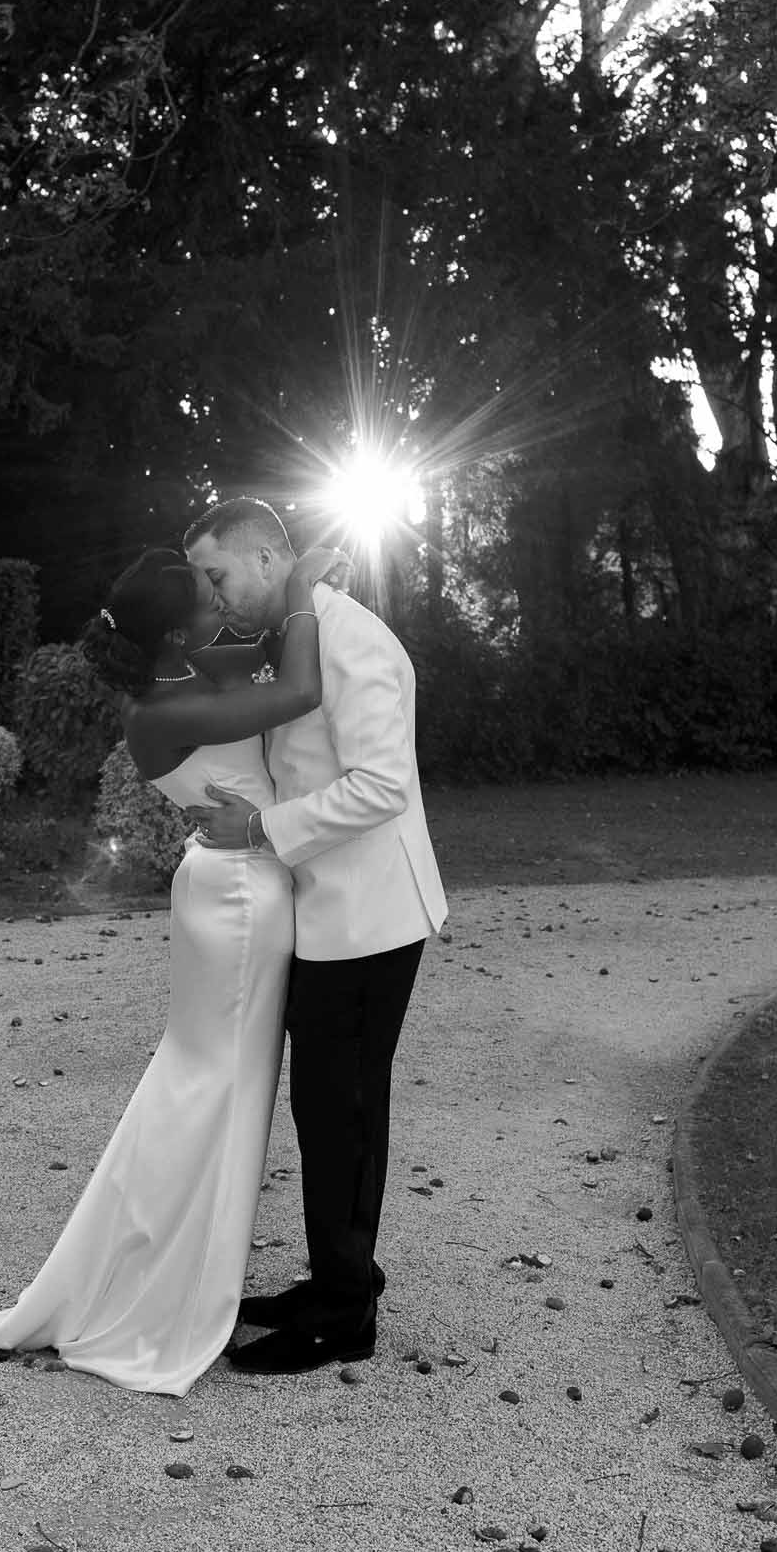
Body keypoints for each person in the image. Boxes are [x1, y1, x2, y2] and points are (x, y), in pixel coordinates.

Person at [0, 539, 343, 1395]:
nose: (218, 597)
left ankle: (180, 1267)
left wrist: (292, 586)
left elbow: (262, 649)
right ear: (174, 636)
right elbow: (300, 688)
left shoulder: (178, 672)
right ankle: (167, 1284)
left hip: (235, 882)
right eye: (205, 593)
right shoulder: (157, 713)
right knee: (215, 1084)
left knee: (212, 1079)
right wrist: (306, 587)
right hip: (238, 895)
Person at [185, 496, 447, 1375]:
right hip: (323, 912)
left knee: (343, 1112)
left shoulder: (353, 639)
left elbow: (380, 787)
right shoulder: (297, 631)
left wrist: (258, 832)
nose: (212, 594)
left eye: (217, 575)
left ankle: (345, 1315)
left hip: (369, 918)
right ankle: (336, 1279)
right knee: (322, 1108)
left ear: (266, 561)